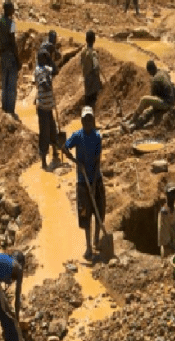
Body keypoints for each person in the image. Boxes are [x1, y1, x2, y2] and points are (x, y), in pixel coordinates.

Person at [63, 107, 105, 261]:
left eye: (90, 119)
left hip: (96, 178)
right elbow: (64, 148)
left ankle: (97, 240)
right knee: (85, 214)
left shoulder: (97, 136)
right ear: (81, 121)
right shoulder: (77, 136)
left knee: (99, 210)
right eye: (85, 119)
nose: (88, 122)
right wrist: (75, 162)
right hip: (82, 182)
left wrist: (94, 184)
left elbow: (97, 160)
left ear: (93, 120)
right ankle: (88, 247)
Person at [126, 60, 175, 131]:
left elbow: (153, 98)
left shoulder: (155, 79)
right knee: (147, 111)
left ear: (150, 71)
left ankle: (133, 120)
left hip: (167, 103)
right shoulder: (164, 72)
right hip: (171, 99)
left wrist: (147, 109)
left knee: (144, 100)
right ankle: (134, 124)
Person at [0, 2, 21, 117]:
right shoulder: (12, 23)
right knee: (11, 85)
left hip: (3, 55)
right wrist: (18, 59)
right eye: (12, 9)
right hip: (10, 56)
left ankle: (4, 109)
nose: (14, 11)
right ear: (9, 10)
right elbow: (13, 42)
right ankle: (10, 111)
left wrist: (0, 53)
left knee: (4, 84)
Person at [35, 49, 59, 169]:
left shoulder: (46, 69)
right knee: (44, 133)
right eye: (45, 58)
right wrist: (49, 83)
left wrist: (50, 60)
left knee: (53, 129)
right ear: (41, 59)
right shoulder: (39, 71)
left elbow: (56, 70)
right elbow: (45, 86)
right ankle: (44, 161)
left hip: (48, 107)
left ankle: (55, 152)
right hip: (43, 108)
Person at [157, 183, 175, 259]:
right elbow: (164, 241)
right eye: (171, 193)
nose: (174, 195)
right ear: (166, 194)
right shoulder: (164, 213)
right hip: (169, 252)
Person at [81, 30, 102, 110]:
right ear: (94, 40)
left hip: (86, 77)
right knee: (93, 100)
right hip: (92, 79)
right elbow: (96, 67)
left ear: (86, 39)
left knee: (87, 97)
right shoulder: (93, 53)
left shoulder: (83, 51)